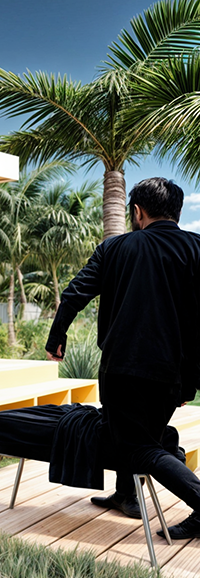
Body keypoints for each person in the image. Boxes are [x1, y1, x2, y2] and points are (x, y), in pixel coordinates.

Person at [47, 177, 200, 536]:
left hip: (121, 368)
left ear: (137, 211)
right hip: (173, 371)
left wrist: (57, 335)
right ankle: (125, 495)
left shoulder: (114, 248)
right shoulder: (197, 248)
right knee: (138, 436)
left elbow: (74, 293)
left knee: (138, 447)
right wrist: (191, 380)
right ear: (177, 212)